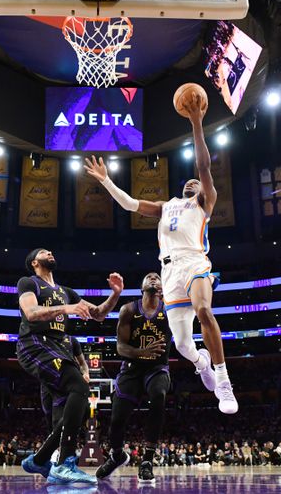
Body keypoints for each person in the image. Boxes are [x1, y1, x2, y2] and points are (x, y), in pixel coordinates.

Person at [85, 92, 237, 415]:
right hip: (169, 273)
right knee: (182, 344)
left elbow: (204, 165)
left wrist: (197, 122)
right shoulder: (166, 206)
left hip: (195, 262)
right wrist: (107, 181)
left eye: (198, 183)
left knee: (204, 311)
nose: (193, 183)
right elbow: (129, 204)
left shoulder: (204, 202)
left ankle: (223, 380)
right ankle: (201, 362)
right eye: (190, 182)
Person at [17, 248, 123, 484]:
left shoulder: (66, 291)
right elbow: (32, 313)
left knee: (82, 407)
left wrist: (115, 295)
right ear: (35, 262)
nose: (51, 253)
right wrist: (67, 309)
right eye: (45, 252)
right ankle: (65, 462)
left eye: (52, 251)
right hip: (34, 344)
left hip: (57, 348)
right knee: (79, 387)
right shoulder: (29, 282)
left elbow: (97, 314)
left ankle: (41, 459)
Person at [96, 273, 171, 483]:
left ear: (163, 288)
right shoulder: (128, 310)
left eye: (157, 277)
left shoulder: (169, 310)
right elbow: (120, 346)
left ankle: (147, 459)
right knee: (117, 418)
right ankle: (117, 455)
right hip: (132, 368)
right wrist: (141, 352)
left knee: (158, 395)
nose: (153, 279)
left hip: (157, 368)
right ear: (141, 286)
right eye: (148, 277)